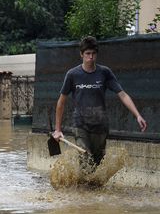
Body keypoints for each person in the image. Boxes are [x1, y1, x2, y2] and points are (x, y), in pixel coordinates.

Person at [52, 36, 147, 168]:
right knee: (85, 158)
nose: (91, 57)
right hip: (80, 125)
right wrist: (57, 129)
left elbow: (123, 95)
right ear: (81, 54)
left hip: (100, 125)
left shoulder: (104, 72)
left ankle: (91, 186)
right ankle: (82, 187)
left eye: (93, 54)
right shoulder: (72, 74)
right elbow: (61, 102)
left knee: (97, 163)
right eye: (87, 54)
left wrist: (138, 115)